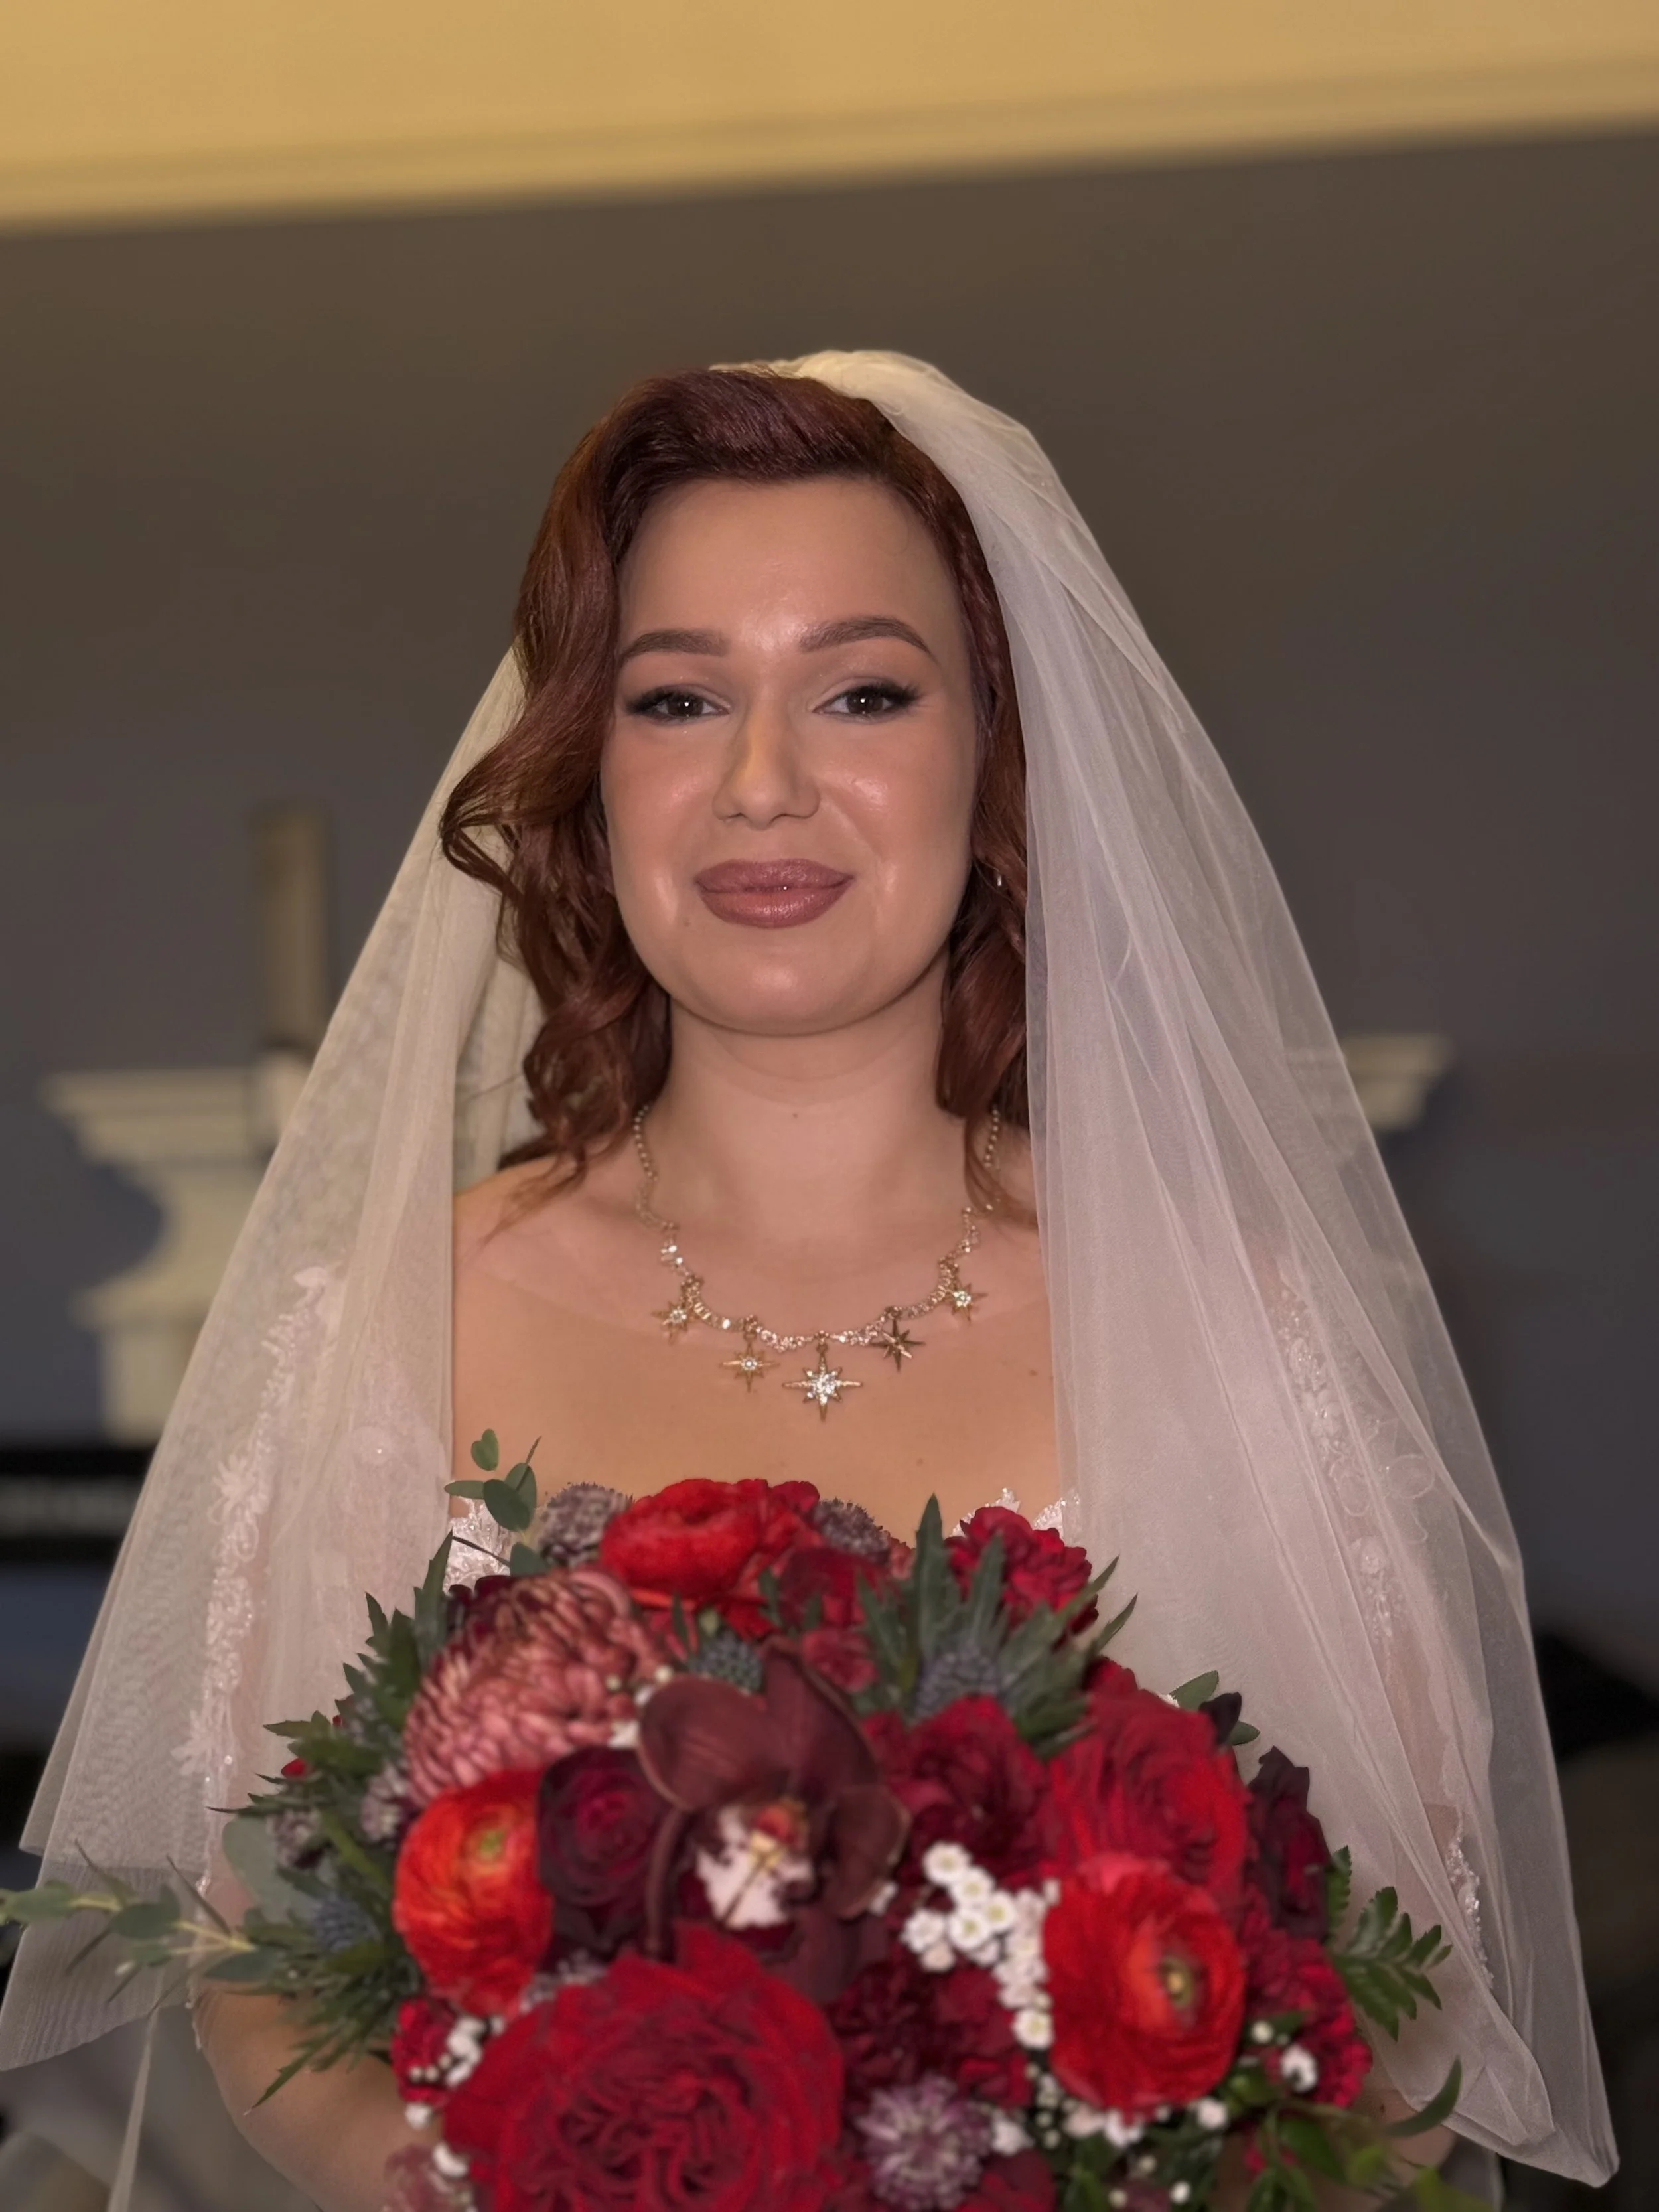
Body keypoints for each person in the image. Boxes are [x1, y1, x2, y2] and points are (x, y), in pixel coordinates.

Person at [0, 356, 1615, 2210]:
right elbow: (255, 1955)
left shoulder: (1239, 1330)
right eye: (677, 697)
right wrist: (471, 2178)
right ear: (588, 774)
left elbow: (1393, 1989)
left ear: (997, 757)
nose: (761, 784)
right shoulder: (390, 1322)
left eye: (861, 690)